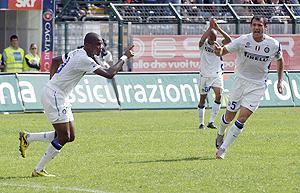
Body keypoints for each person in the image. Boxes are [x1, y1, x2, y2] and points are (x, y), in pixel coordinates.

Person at [18, 32, 134, 177]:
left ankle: (28, 138)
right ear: (88, 45)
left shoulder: (78, 52)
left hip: (59, 95)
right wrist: (124, 57)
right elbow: (110, 74)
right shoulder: (83, 59)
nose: (101, 47)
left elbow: (55, 61)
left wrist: (53, 82)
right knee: (64, 136)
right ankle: (38, 169)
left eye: (101, 44)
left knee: (70, 136)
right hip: (55, 95)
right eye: (98, 44)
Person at [213, 16, 284, 159]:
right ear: (251, 26)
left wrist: (280, 81)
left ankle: (223, 149)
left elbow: (280, 59)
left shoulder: (274, 44)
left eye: (259, 25)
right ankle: (220, 133)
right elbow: (223, 51)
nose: (256, 27)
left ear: (265, 27)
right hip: (240, 82)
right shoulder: (243, 40)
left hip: (257, 86)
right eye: (254, 25)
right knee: (229, 116)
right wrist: (218, 51)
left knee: (242, 118)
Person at [197, 18, 231, 129]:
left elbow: (229, 40)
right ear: (208, 37)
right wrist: (210, 28)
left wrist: (218, 28)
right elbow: (202, 40)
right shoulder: (203, 45)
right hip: (205, 75)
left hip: (217, 74)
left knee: (219, 95)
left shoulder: (218, 44)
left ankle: (211, 121)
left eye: (215, 38)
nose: (213, 40)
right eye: (211, 37)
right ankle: (201, 123)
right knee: (203, 99)